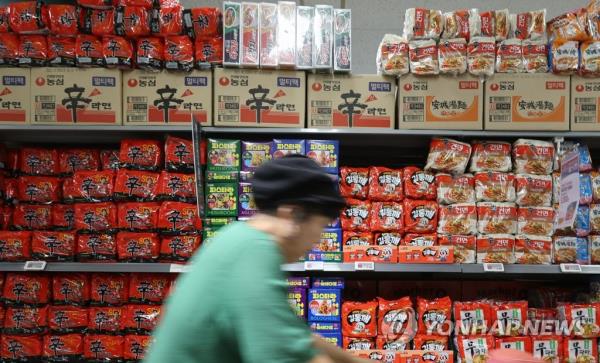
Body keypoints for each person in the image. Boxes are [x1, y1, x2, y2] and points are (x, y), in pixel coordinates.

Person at [145, 155, 371, 363]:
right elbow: (284, 356)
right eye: (320, 226)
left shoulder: (238, 238)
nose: (317, 239)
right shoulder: (253, 253)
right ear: (292, 215)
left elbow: (297, 338)